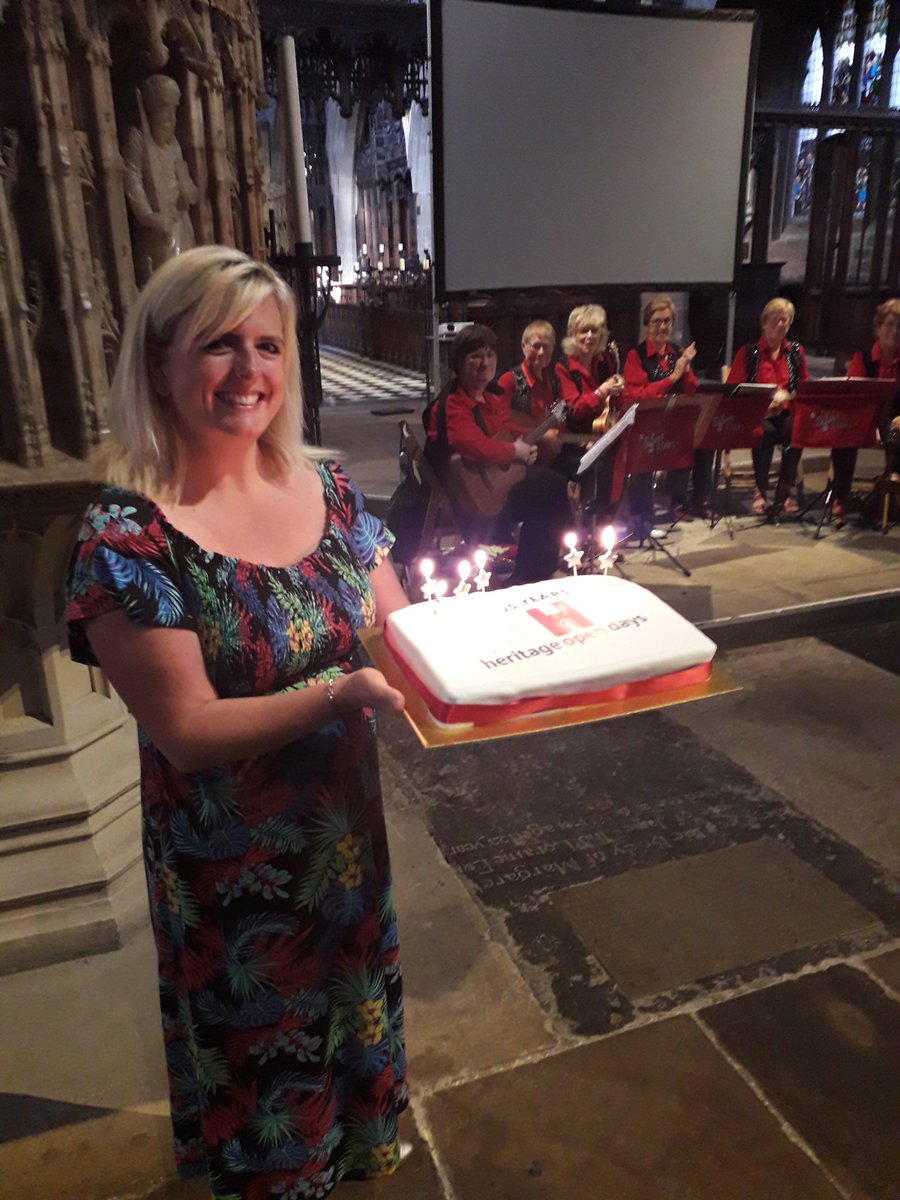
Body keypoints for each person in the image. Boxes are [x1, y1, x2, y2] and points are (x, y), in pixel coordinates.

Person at [65, 246, 411, 1198]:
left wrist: (542, 637)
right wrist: (341, 691)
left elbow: (408, 630)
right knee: (269, 1094)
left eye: (269, 344)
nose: (251, 372)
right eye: (219, 345)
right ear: (159, 366)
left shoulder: (330, 490)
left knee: (351, 1053)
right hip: (236, 882)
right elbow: (186, 727)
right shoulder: (127, 534)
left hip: (344, 847)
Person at [425, 323, 572, 583]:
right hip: (472, 504)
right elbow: (474, 446)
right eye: (474, 356)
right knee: (552, 488)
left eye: (490, 355)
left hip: (492, 487)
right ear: (458, 362)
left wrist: (534, 435)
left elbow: (501, 429)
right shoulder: (451, 404)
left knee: (549, 487)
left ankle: (541, 564)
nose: (484, 363)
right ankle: (533, 572)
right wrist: (515, 450)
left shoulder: (486, 397)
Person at [623, 294, 708, 523]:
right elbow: (637, 395)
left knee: (700, 440)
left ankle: (682, 501)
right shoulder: (636, 355)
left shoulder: (677, 353)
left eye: (667, 321)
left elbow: (691, 390)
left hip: (673, 421)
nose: (662, 326)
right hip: (645, 422)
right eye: (657, 321)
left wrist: (686, 367)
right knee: (644, 444)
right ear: (647, 326)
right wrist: (672, 377)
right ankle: (640, 511)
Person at [725, 297, 810, 516]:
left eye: (785, 320)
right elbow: (733, 390)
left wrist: (787, 397)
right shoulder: (749, 353)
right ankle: (760, 489)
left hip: (786, 411)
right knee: (765, 432)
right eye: (775, 320)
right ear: (764, 323)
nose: (781, 324)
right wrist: (762, 402)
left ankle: (783, 492)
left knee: (794, 431)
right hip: (757, 414)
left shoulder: (795, 353)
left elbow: (807, 388)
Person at [123, 75, 199, 284]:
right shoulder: (137, 138)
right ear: (151, 108)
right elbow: (132, 179)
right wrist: (148, 215)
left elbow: (187, 184)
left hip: (180, 223)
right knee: (168, 282)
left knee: (189, 277)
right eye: (165, 108)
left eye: (174, 109)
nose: (171, 116)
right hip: (157, 228)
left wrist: (189, 190)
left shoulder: (173, 145)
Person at [836, 298, 900, 515]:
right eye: (890, 325)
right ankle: (841, 496)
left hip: (894, 421)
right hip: (865, 419)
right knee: (843, 435)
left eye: (899, 326)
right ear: (878, 328)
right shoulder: (862, 358)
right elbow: (853, 397)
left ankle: (892, 496)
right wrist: (868, 422)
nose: (895, 331)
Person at [495, 319, 564, 468]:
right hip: (516, 465)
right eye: (536, 346)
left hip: (547, 461)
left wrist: (583, 440)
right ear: (523, 347)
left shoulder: (553, 383)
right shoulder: (508, 381)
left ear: (553, 349)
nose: (541, 352)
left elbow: (559, 419)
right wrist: (541, 435)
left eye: (546, 347)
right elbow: (500, 426)